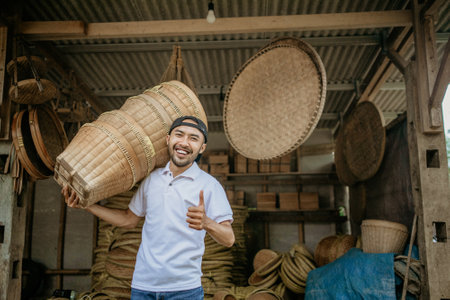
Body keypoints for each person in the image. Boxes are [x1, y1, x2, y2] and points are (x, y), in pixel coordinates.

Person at [63, 115, 235, 300]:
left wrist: (207, 223)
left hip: (184, 290)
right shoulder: (152, 179)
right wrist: (87, 206)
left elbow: (229, 239)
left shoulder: (209, 185)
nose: (184, 142)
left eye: (193, 138)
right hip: (143, 287)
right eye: (179, 134)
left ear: (201, 148)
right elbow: (129, 219)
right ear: (168, 139)